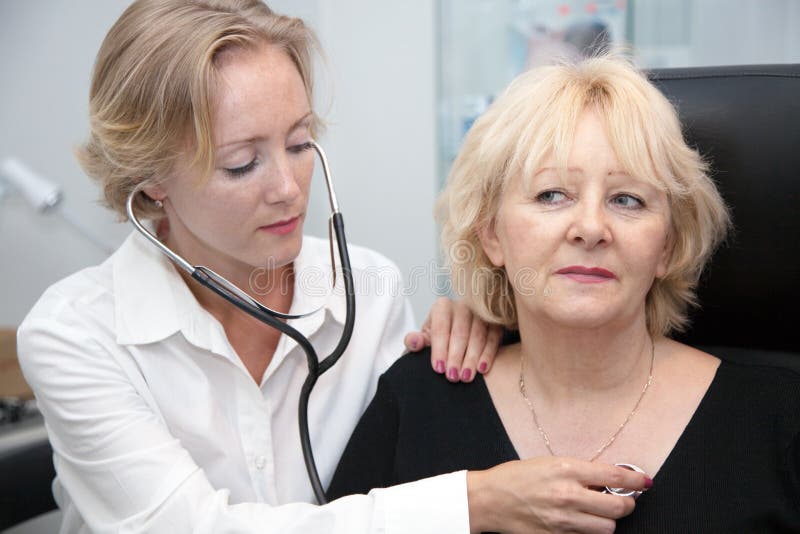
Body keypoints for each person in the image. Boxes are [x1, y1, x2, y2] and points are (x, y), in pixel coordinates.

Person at [14, 1, 646, 533]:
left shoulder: (366, 292)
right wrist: (474, 501)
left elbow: (397, 458)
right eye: (241, 163)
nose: (289, 188)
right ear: (151, 179)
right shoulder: (75, 336)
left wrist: (478, 318)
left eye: (299, 143)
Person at [328, 54, 800, 532]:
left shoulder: (780, 419)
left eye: (627, 199)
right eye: (552, 195)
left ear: (667, 246)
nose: (591, 228)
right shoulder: (416, 402)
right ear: (491, 234)